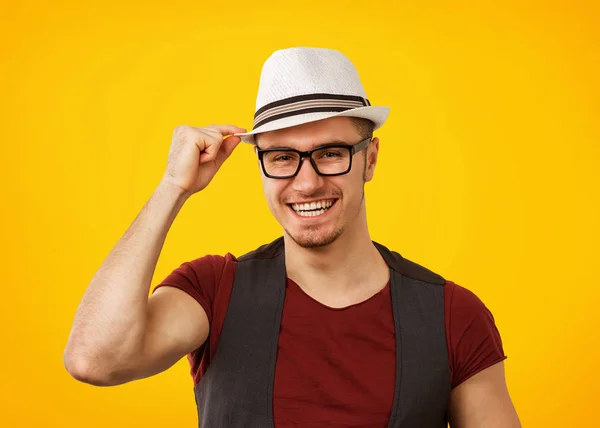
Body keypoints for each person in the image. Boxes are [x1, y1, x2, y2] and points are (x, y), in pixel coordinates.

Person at [64, 47, 521, 427]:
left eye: (330, 153)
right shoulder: (213, 291)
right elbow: (94, 360)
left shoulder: (453, 317)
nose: (306, 183)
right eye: (282, 157)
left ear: (371, 158)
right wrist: (173, 187)